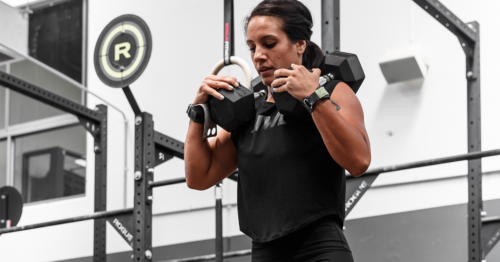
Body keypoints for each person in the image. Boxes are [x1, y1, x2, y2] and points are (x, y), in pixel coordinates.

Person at [185, 0, 371, 261]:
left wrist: (314, 97)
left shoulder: (332, 92)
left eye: (269, 44)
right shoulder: (249, 111)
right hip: (264, 252)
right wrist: (198, 113)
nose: (258, 55)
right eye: (252, 47)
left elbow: (359, 160)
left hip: (319, 248)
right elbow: (198, 177)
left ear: (299, 45)